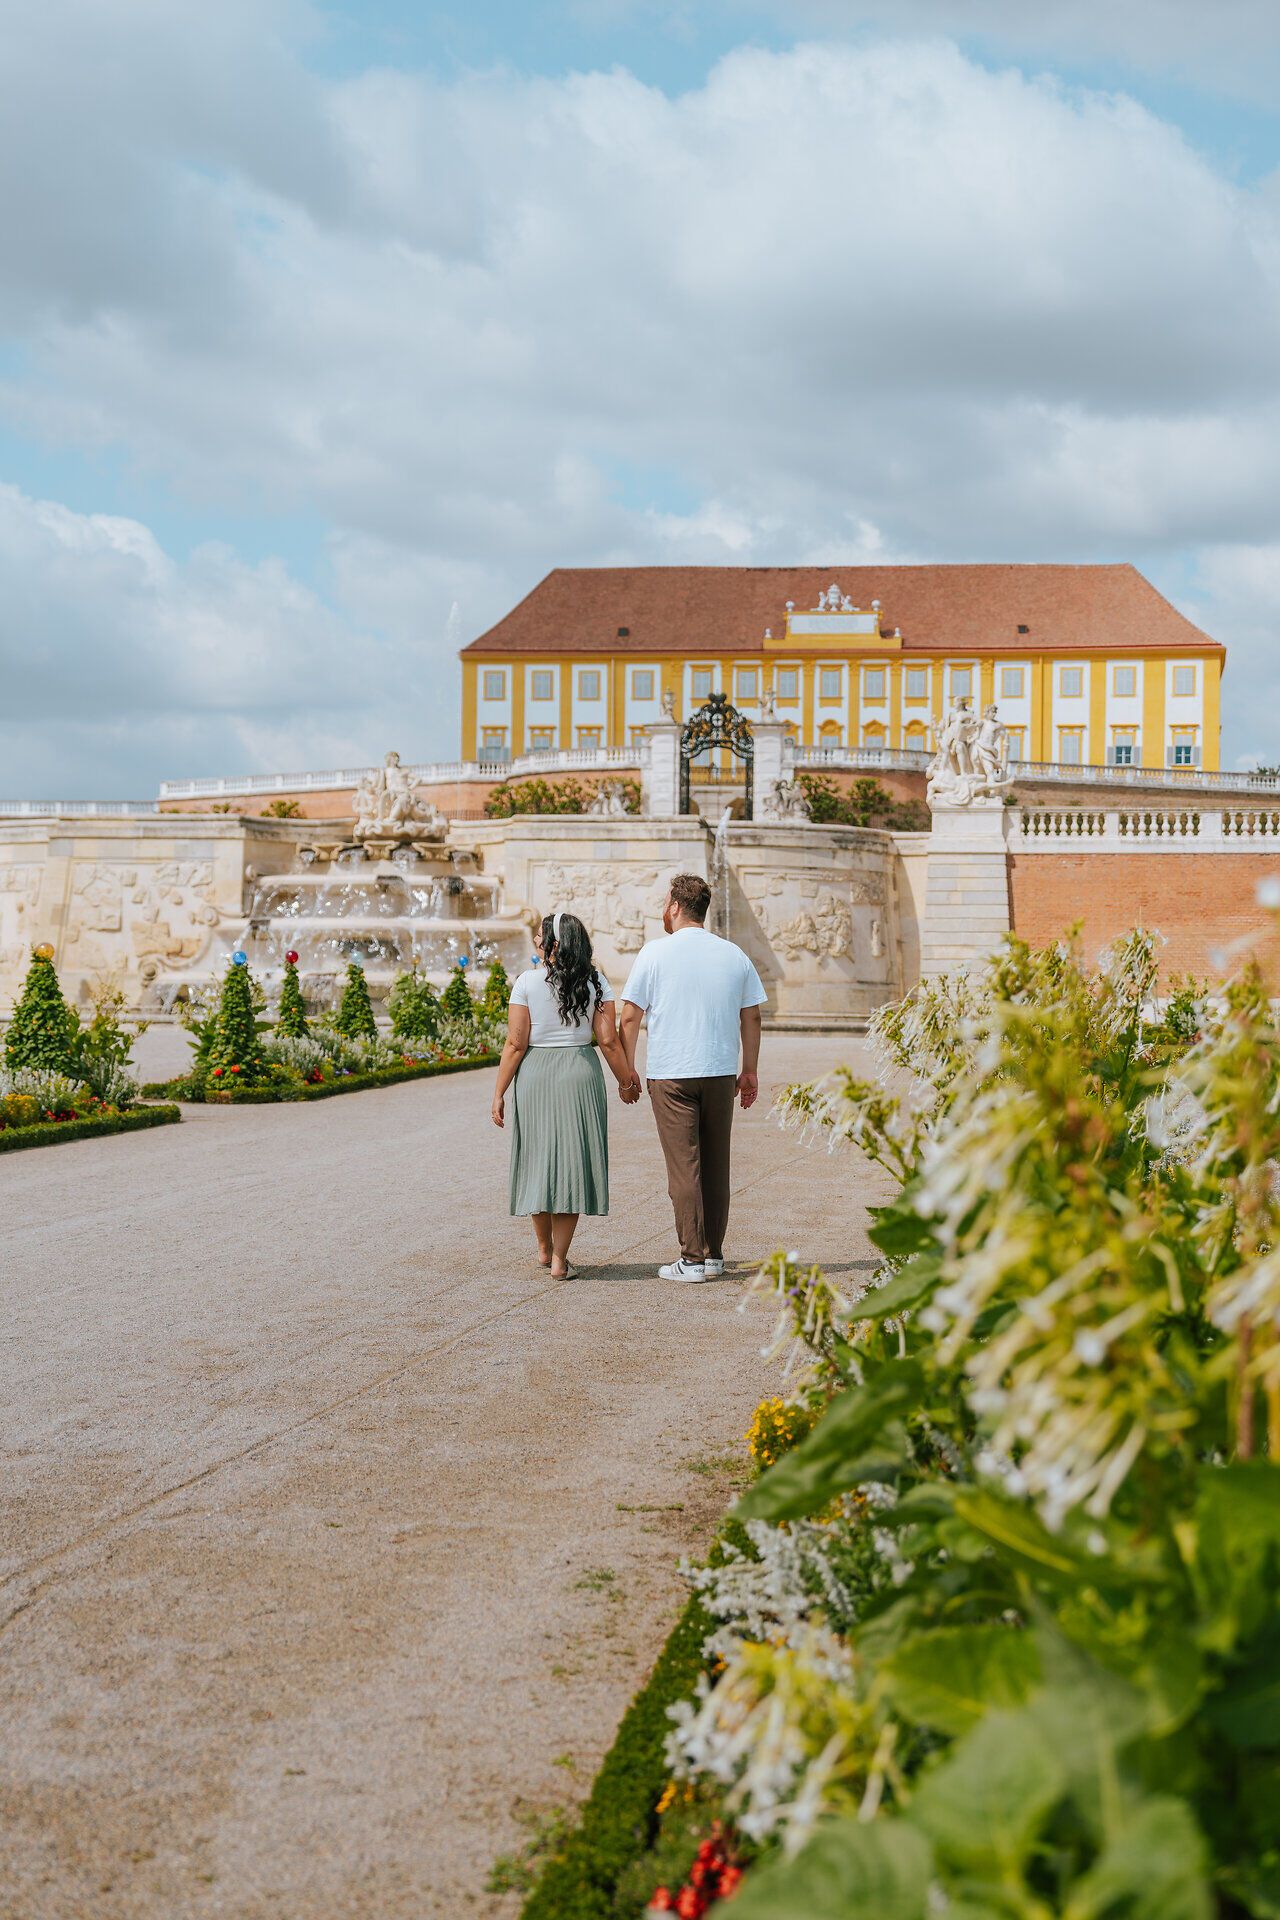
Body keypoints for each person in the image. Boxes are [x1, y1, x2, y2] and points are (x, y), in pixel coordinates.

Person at [619, 873, 767, 1284]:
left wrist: (627, 1070)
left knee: (685, 1167)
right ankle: (714, 1253)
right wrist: (749, 1069)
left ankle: (692, 1258)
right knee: (717, 1165)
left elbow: (630, 1016)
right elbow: (751, 1014)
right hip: (720, 1071)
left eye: (663, 902)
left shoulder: (654, 953)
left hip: (671, 1072)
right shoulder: (733, 954)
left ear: (674, 907)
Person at [491, 909, 639, 1280]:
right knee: (572, 1164)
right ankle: (560, 1260)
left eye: (542, 936)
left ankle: (543, 1251)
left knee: (537, 1160)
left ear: (551, 943)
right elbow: (607, 1040)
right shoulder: (597, 983)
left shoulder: (526, 981)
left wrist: (499, 1092)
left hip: (536, 1074)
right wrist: (625, 1081)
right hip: (578, 1072)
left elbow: (515, 1043)